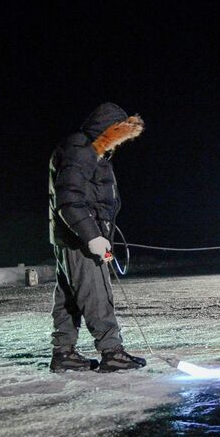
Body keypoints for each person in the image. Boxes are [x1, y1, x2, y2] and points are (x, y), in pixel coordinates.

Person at [48, 102, 147, 372]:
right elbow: (68, 199)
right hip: (79, 238)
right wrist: (92, 236)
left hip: (71, 237)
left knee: (69, 296)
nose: (120, 143)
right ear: (108, 131)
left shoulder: (89, 151)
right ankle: (111, 352)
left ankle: (63, 353)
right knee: (96, 293)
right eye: (119, 136)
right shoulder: (81, 150)